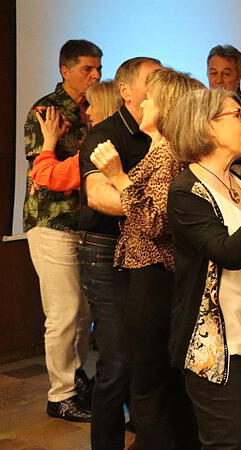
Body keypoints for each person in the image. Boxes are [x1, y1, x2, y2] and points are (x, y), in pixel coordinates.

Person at [90, 68, 201, 448]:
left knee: (150, 383)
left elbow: (155, 220)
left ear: (165, 107)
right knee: (156, 382)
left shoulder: (168, 153)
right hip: (149, 273)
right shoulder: (161, 150)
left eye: (150, 97)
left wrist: (118, 176)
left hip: (155, 275)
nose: (143, 103)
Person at [167, 87, 241, 450]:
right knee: (229, 442)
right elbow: (228, 253)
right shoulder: (187, 190)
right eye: (238, 117)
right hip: (213, 344)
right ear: (208, 127)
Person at [79, 56, 161, 449]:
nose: (160, 84)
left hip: (148, 253)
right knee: (116, 361)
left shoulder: (162, 130)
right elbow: (98, 196)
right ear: (125, 90)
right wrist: (156, 206)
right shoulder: (104, 135)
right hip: (107, 251)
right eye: (152, 79)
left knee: (149, 355)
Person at [23, 39, 102, 423]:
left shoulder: (96, 110)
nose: (95, 76)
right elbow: (47, 170)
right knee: (63, 311)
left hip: (85, 225)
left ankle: (76, 377)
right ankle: (61, 394)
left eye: (99, 68)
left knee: (82, 310)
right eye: (87, 69)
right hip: (52, 222)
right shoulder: (47, 110)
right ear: (64, 70)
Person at [30, 81, 121, 193]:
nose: (87, 112)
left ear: (105, 108)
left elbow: (45, 176)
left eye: (93, 105)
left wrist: (49, 141)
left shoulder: (100, 147)